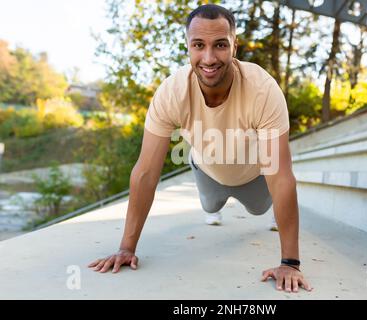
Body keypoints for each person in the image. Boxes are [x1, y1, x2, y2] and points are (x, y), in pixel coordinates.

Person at [88, 4, 312, 293]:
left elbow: (280, 176)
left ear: (234, 46)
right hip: (206, 169)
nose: (209, 57)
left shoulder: (262, 89)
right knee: (210, 205)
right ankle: (214, 205)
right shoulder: (171, 92)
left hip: (254, 176)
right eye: (198, 45)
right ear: (188, 47)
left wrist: (290, 263)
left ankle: (265, 211)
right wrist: (126, 248)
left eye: (220, 45)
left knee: (259, 209)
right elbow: (145, 172)